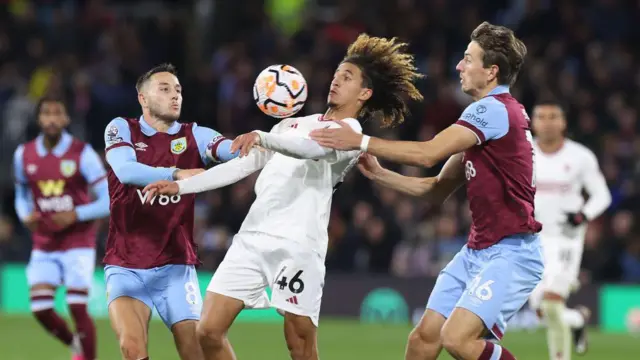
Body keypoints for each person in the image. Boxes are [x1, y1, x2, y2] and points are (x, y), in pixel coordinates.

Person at [143, 34, 424, 360]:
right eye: (336, 74)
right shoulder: (291, 125)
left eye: (347, 78)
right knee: (207, 331)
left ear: (364, 93)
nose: (335, 81)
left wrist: (263, 136)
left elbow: (312, 148)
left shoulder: (351, 134)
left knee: (299, 345)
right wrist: (180, 187)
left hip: (298, 245)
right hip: (252, 237)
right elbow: (239, 167)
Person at [310, 22, 542, 360]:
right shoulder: (488, 122)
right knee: (423, 340)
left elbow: (428, 154)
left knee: (457, 340)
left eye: (467, 59)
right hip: (477, 251)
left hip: (511, 252)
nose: (459, 66)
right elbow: (435, 189)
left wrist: (361, 141)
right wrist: (380, 175)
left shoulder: (492, 110)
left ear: (491, 72)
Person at [103, 63, 238, 360]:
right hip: (126, 266)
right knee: (131, 347)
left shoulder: (195, 135)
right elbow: (125, 171)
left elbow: (230, 150)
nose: (174, 96)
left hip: (175, 267)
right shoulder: (121, 128)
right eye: (164, 89)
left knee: (196, 351)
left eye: (178, 90)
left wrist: (254, 144)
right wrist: (176, 174)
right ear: (143, 98)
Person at [13, 96, 110, 360]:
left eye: (58, 114)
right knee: (40, 308)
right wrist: (24, 215)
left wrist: (76, 214)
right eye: (46, 114)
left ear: (66, 119)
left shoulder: (82, 153)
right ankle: (74, 345)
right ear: (39, 119)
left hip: (78, 241)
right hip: (44, 241)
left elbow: (108, 201)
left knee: (77, 307)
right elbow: (21, 193)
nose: (52, 119)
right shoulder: (24, 154)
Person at [528, 100, 611, 359]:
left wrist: (583, 215)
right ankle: (576, 319)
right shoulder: (523, 153)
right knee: (541, 310)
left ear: (563, 122)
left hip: (566, 240)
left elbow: (602, 196)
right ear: (532, 122)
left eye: (554, 116)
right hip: (531, 240)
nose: (548, 122)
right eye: (541, 116)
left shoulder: (580, 156)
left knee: (552, 304)